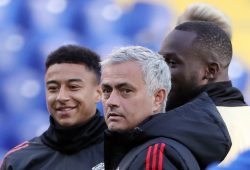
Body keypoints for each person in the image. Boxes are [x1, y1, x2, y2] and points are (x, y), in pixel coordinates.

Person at [101, 46, 231, 170]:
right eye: (106, 90)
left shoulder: (156, 155)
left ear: (158, 98)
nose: (111, 101)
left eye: (126, 91)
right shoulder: (145, 149)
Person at [0, 45, 106, 170]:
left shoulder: (126, 146)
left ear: (98, 93)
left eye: (73, 87)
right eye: (53, 88)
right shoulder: (19, 161)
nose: (61, 97)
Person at [159, 20, 250, 165]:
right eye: (159, 62)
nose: (159, 72)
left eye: (172, 63)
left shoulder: (184, 128)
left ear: (210, 71)